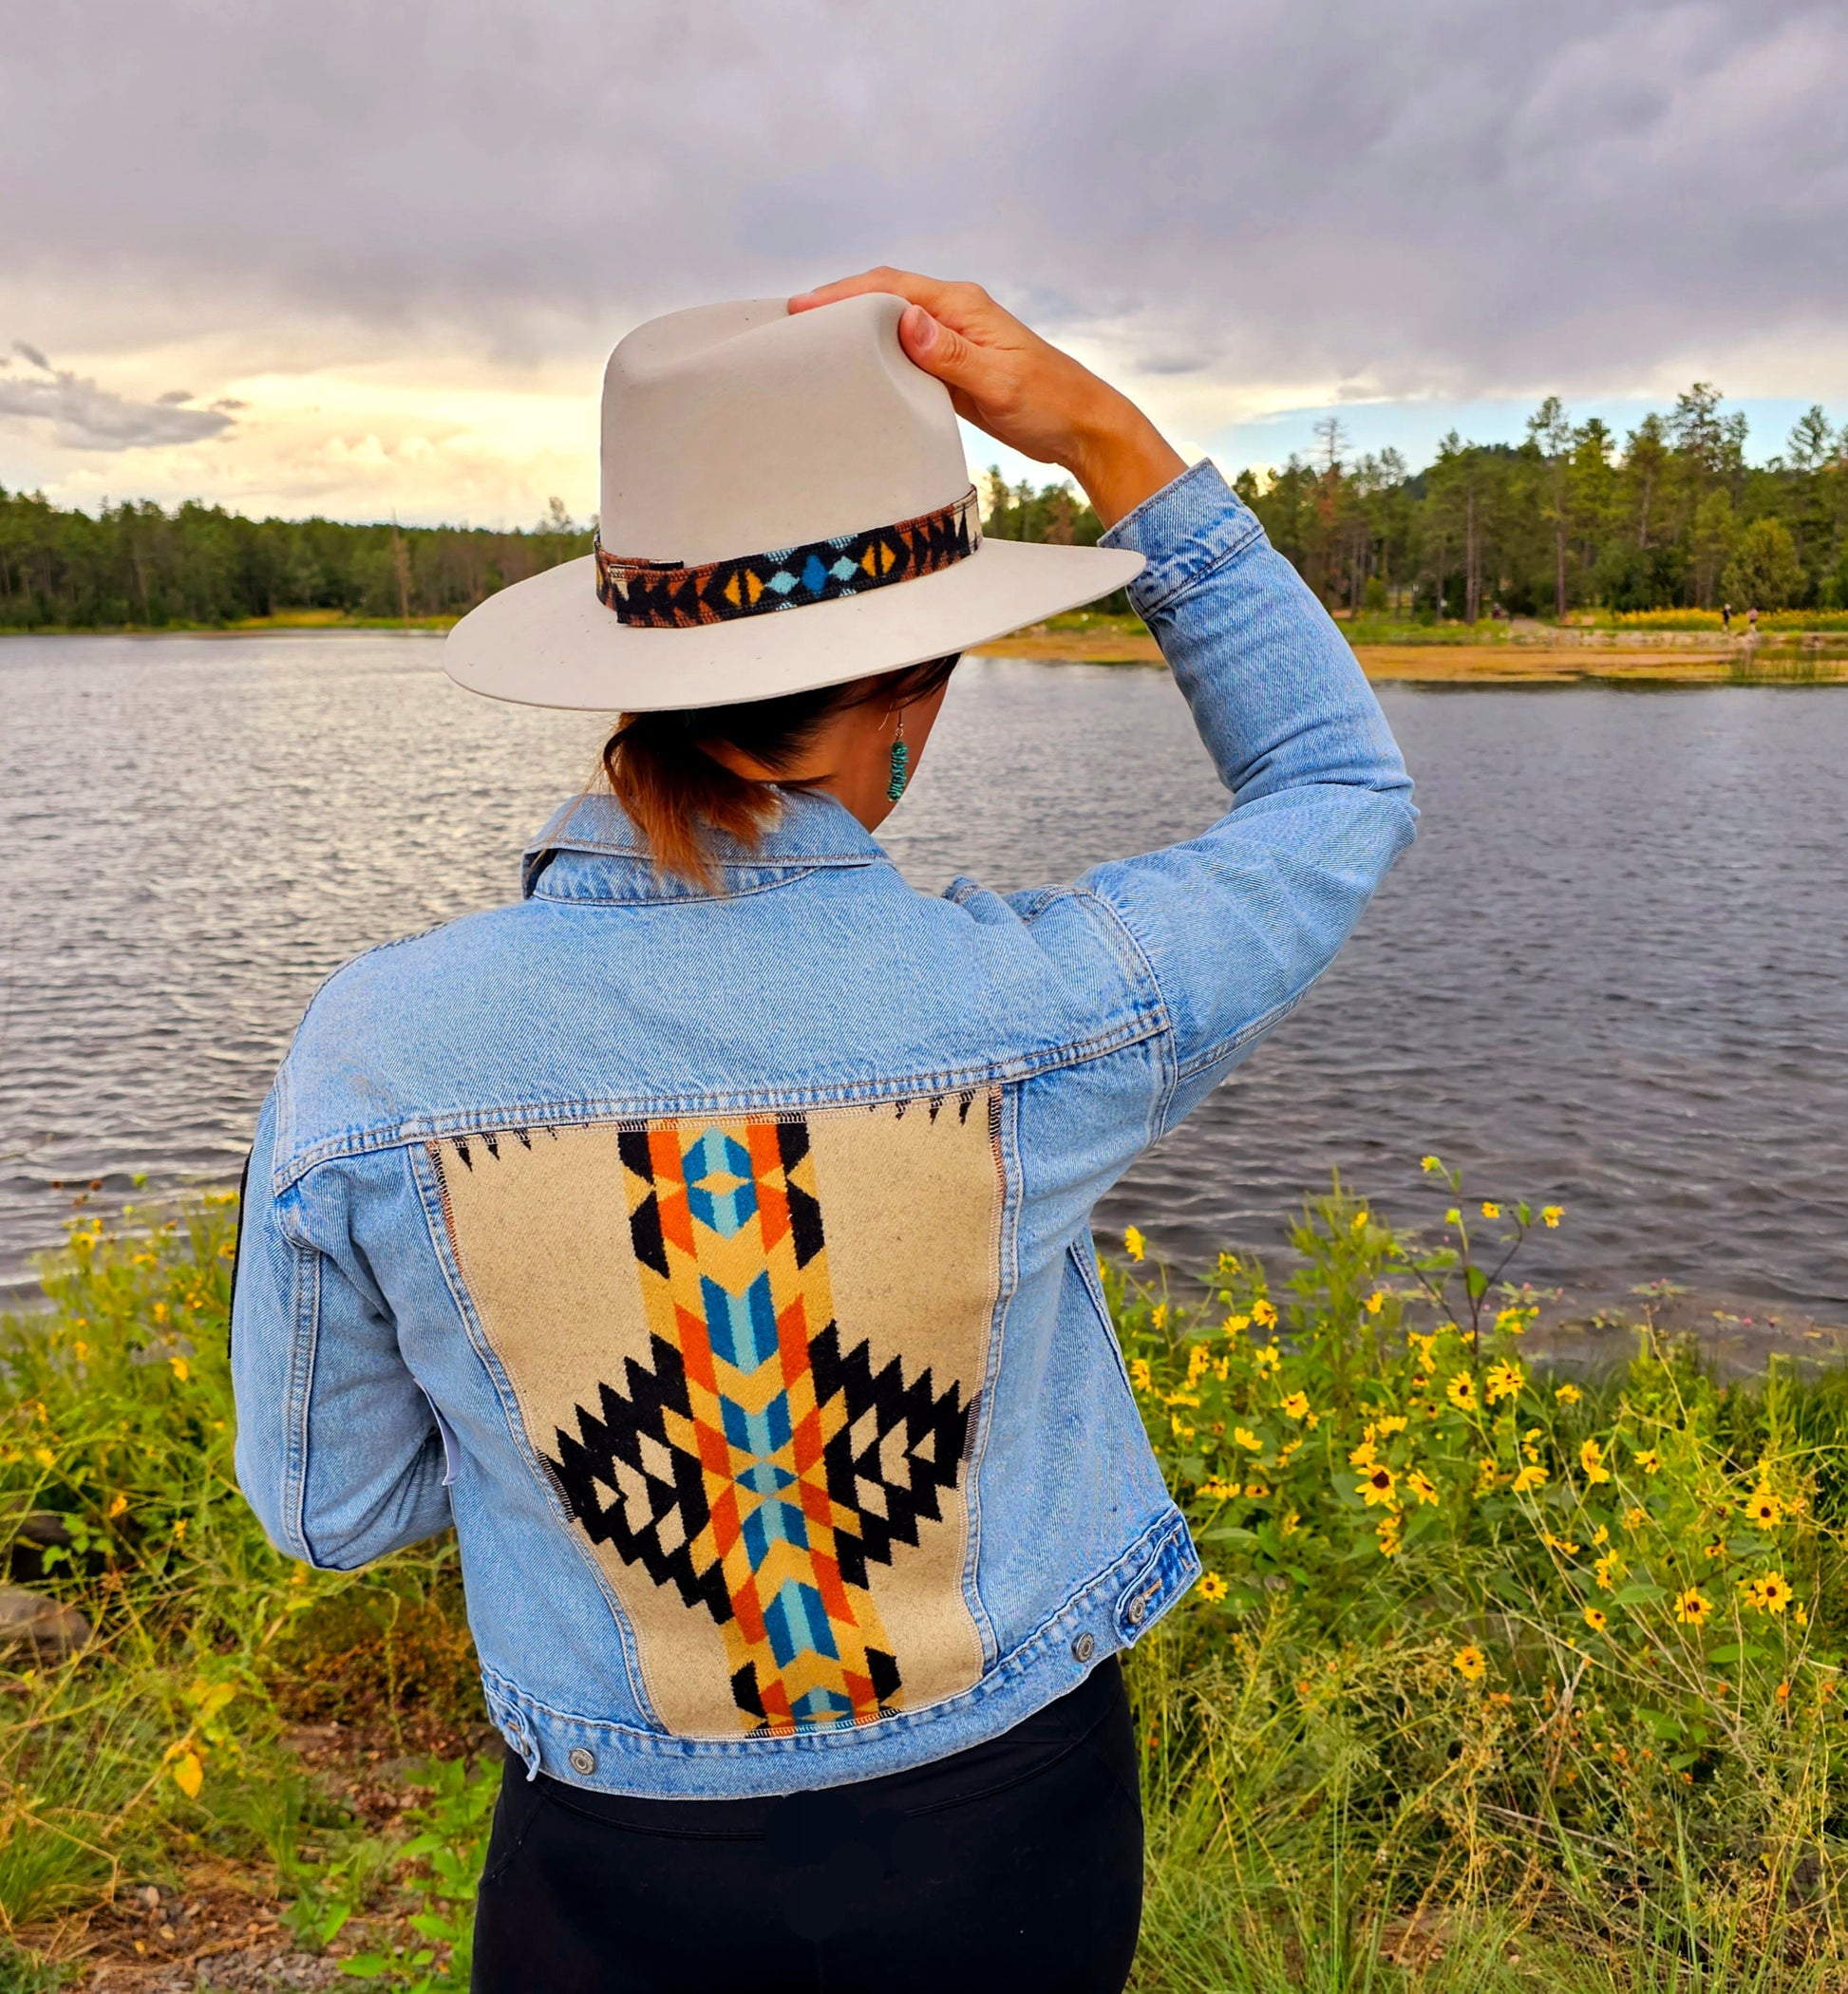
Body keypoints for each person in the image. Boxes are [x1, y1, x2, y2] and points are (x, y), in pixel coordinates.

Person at [230, 269, 1416, 1994]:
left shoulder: (377, 1049)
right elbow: (1335, 789)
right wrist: (1105, 438)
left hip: (615, 1850)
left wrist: (572, 1436)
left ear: (627, 681)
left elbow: (331, 1506)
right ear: (910, 701)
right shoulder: (1042, 1007)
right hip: (1007, 1824)